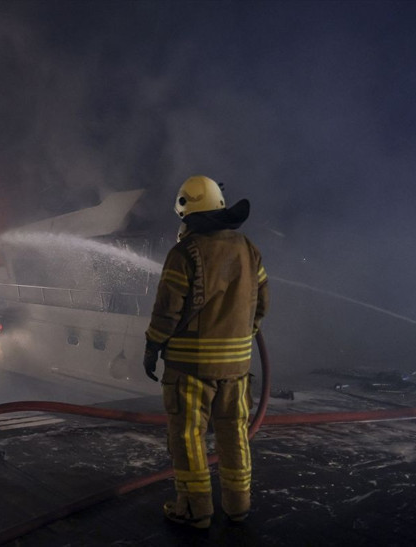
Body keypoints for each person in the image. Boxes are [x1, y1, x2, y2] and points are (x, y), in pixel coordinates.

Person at [143, 175, 269, 529]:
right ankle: (238, 505)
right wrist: (243, 337)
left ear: (186, 212)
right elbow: (262, 302)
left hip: (190, 368)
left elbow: (167, 311)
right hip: (237, 368)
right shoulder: (248, 248)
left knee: (188, 436)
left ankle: (195, 509)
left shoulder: (185, 253)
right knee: (234, 433)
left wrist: (153, 345)